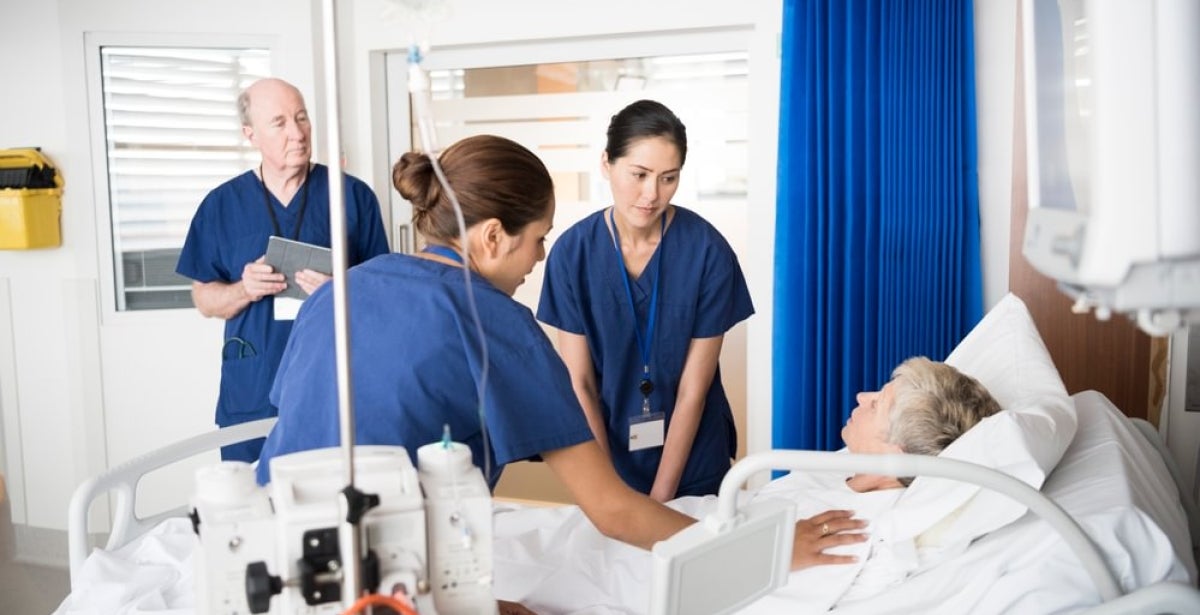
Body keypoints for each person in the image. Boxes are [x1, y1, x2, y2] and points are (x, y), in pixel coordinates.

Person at [255, 134, 866, 574]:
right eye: (537, 239)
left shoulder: (340, 290)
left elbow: (304, 427)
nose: (542, 257)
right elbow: (610, 511)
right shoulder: (495, 321)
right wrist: (765, 547)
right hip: (367, 573)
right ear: (493, 236)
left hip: (271, 544)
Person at [536, 99, 754, 501]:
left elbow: (693, 387)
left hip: (693, 459)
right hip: (607, 449)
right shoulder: (573, 254)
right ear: (607, 164)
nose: (651, 194)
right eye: (639, 174)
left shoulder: (707, 251)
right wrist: (610, 491)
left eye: (668, 178)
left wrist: (660, 499)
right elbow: (580, 384)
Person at [176, 77, 389, 462]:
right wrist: (244, 288)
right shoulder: (221, 206)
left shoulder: (353, 197)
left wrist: (340, 289)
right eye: (279, 122)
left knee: (334, 506)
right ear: (250, 133)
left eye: (302, 118)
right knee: (250, 505)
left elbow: (384, 301)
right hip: (253, 389)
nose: (297, 133)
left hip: (334, 385)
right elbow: (204, 299)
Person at [840, 356, 1002, 492]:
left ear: (896, 459)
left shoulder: (846, 522)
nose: (861, 397)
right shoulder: (835, 466)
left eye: (875, 405)